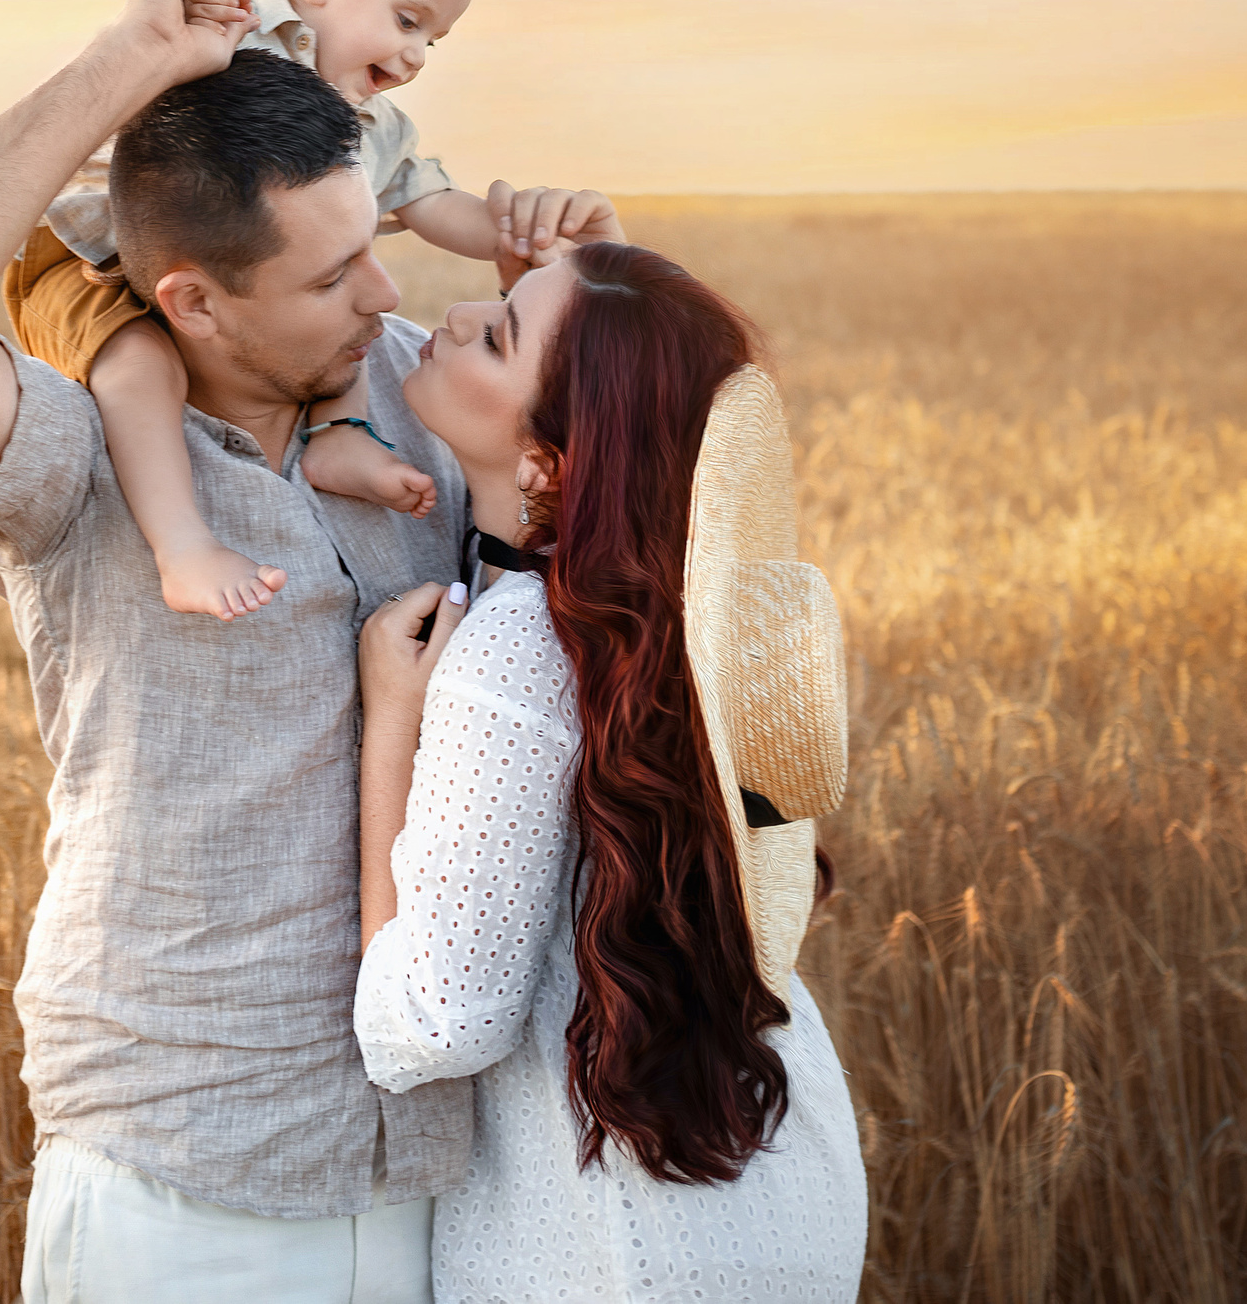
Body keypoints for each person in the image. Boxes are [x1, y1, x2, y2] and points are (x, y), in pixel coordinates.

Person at [0, 0, 619, 1303]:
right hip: (186, 1166)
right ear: (190, 295)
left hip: (440, 1162)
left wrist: (581, 279)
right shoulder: (72, 459)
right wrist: (133, 63)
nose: (382, 298)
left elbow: (647, 530)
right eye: (328, 280)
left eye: (375, 249)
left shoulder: (428, 392)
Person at [351, 242, 871, 1300]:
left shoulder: (510, 651)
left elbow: (439, 1018)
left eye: (496, 330)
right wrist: (565, 310)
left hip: (606, 1239)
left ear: (547, 464)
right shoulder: (717, 621)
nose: (451, 316)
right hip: (782, 1173)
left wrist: (388, 732)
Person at [7, 0, 618, 619]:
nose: (418, 56)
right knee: (137, 364)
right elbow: (139, 70)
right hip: (89, 251)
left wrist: (523, 226)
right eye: (407, 20)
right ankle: (181, 545)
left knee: (349, 313)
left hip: (219, 275)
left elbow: (429, 202)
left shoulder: (366, 122)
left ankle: (338, 434)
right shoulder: (231, 33)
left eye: (435, 38)